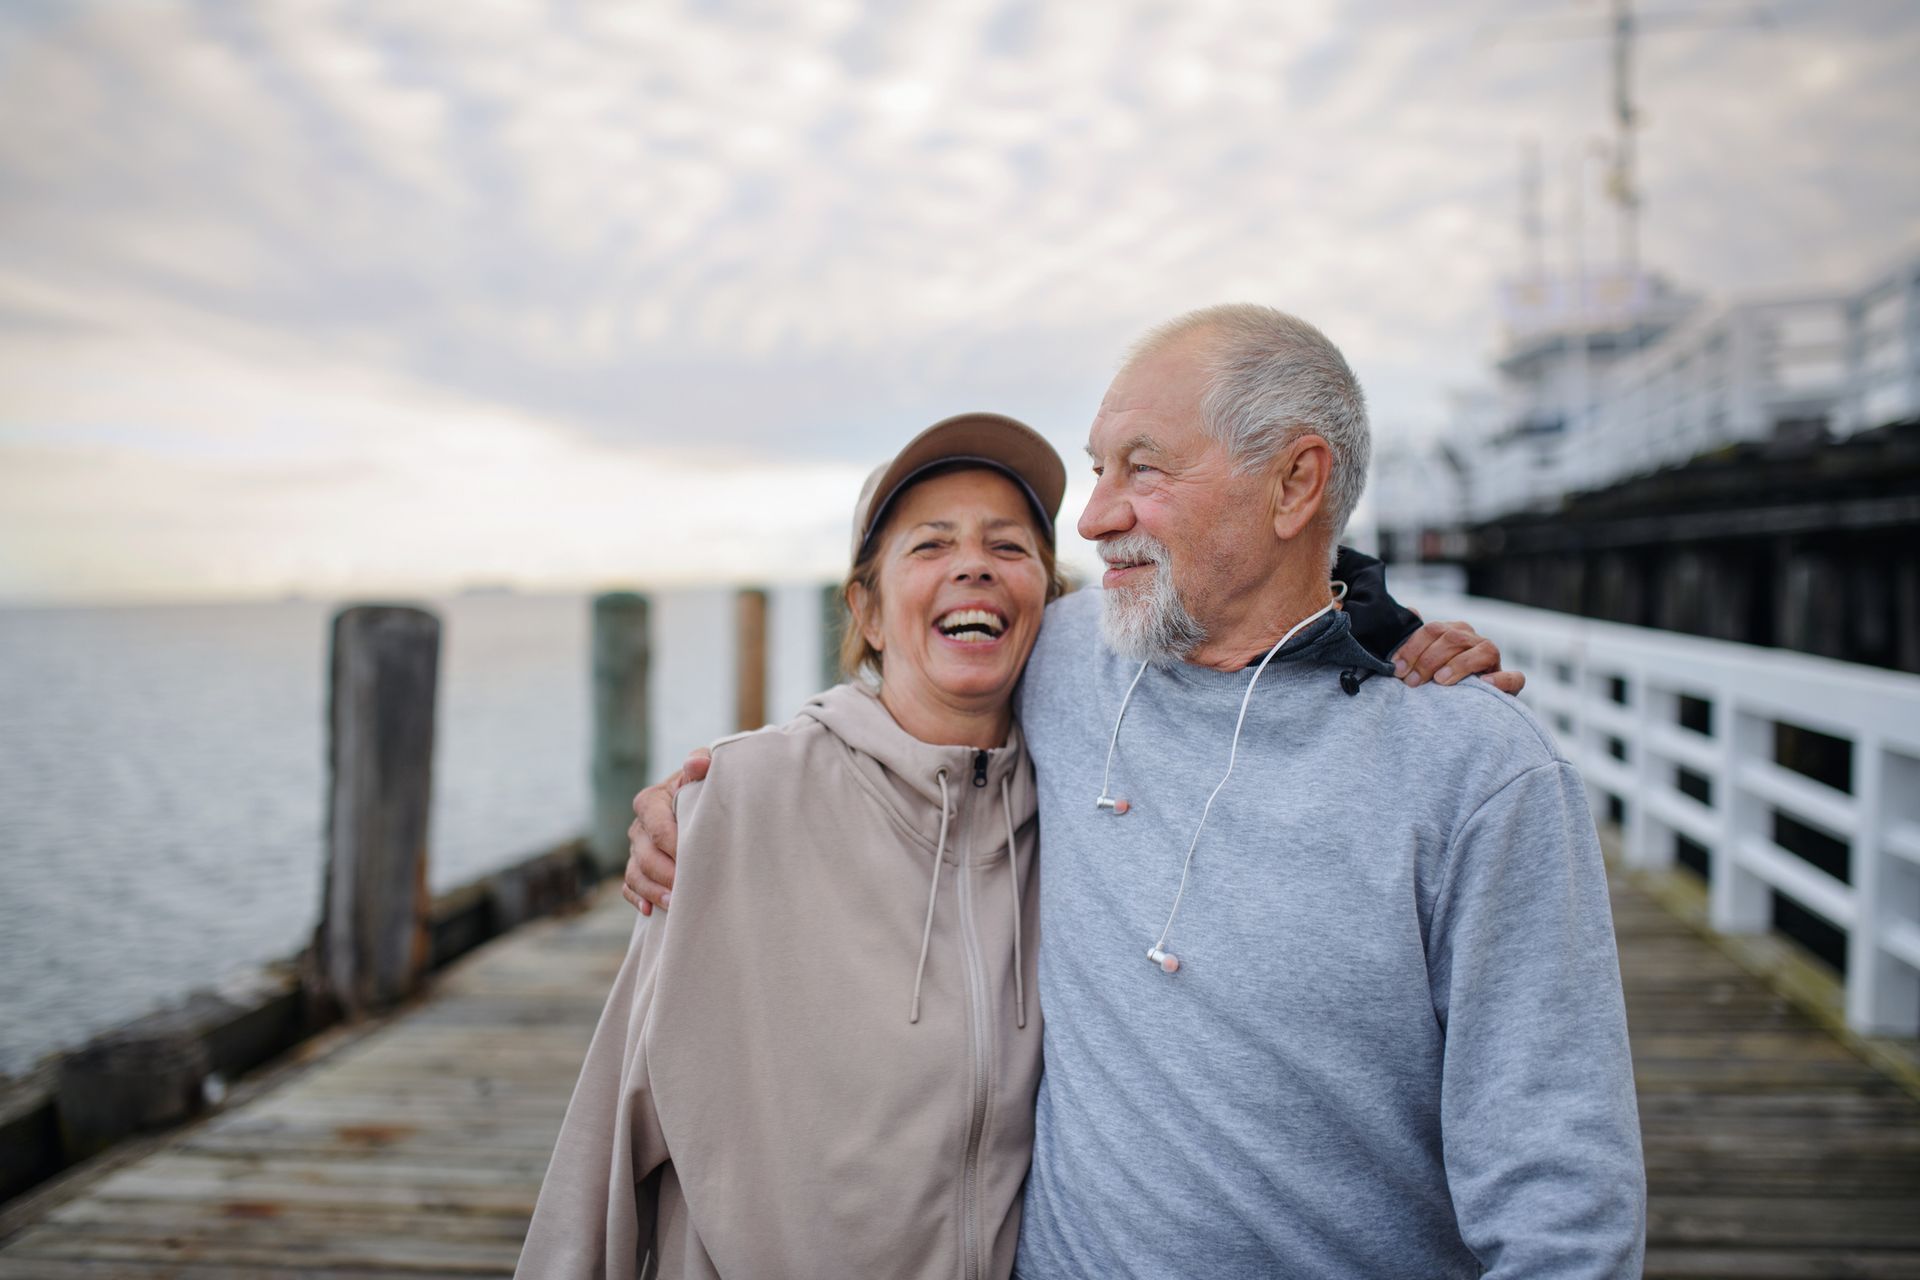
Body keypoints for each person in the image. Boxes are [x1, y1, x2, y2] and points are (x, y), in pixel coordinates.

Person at [626, 306, 1645, 1278]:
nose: (1095, 514)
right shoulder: (1069, 654)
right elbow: (913, 682)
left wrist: (1390, 635)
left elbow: (1563, 1203)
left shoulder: (1474, 769)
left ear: (1295, 484)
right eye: (1096, 468)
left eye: (1142, 470)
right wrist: (720, 785)